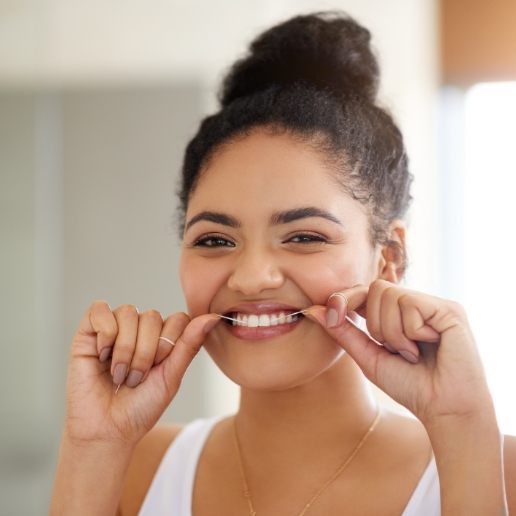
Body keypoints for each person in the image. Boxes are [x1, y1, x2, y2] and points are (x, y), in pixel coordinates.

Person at [50, 10, 515, 516]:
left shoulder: (496, 469)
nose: (251, 278)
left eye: (305, 236)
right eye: (215, 240)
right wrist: (92, 446)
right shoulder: (134, 469)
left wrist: (463, 426)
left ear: (389, 257)